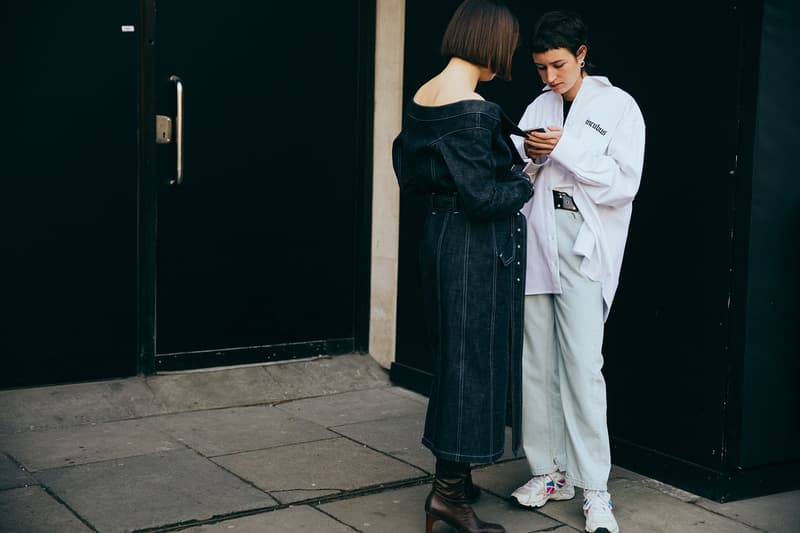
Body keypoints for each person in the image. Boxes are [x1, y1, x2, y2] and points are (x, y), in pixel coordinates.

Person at [391, 1, 534, 532]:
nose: (510, 58)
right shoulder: (474, 109)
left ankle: (455, 479)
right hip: (472, 245)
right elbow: (484, 199)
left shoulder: (424, 95)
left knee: (453, 358)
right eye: (511, 48)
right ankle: (448, 495)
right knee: (471, 363)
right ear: (493, 44)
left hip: (437, 238)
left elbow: (405, 164)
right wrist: (525, 180)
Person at [509, 10, 646, 533]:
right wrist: (531, 152)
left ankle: (595, 489)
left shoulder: (618, 106)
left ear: (582, 55)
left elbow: (622, 182)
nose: (550, 77)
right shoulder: (541, 102)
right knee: (536, 359)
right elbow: (517, 156)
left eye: (558, 65)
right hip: (540, 233)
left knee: (584, 365)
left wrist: (561, 147)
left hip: (583, 241)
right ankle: (549, 472)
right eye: (541, 67)